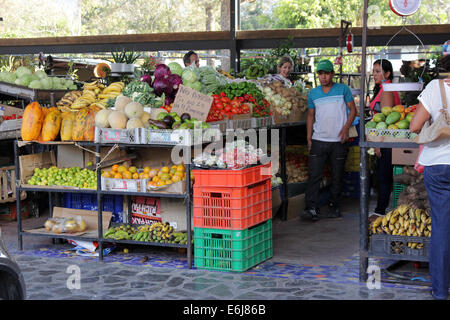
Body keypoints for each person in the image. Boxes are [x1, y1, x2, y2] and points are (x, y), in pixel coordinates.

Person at [410, 55, 450, 300]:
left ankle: (440, 290)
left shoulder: (435, 88)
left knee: (442, 228)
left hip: (438, 166)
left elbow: (415, 126)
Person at [302, 59, 357, 221]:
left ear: (332, 74)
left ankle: (334, 206)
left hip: (338, 141)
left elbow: (353, 110)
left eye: (326, 73)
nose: (323, 77)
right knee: (314, 175)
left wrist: (346, 128)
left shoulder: (343, 89)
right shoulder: (313, 94)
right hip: (318, 140)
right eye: (320, 74)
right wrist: (309, 138)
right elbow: (310, 116)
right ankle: (311, 208)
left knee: (337, 175)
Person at [369, 59, 401, 215]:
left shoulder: (387, 90)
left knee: (384, 176)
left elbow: (385, 120)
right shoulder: (383, 88)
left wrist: (378, 143)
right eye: (373, 71)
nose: (374, 74)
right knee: (383, 175)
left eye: (377, 71)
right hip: (385, 139)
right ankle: (381, 209)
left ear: (387, 73)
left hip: (387, 140)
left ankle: (380, 211)